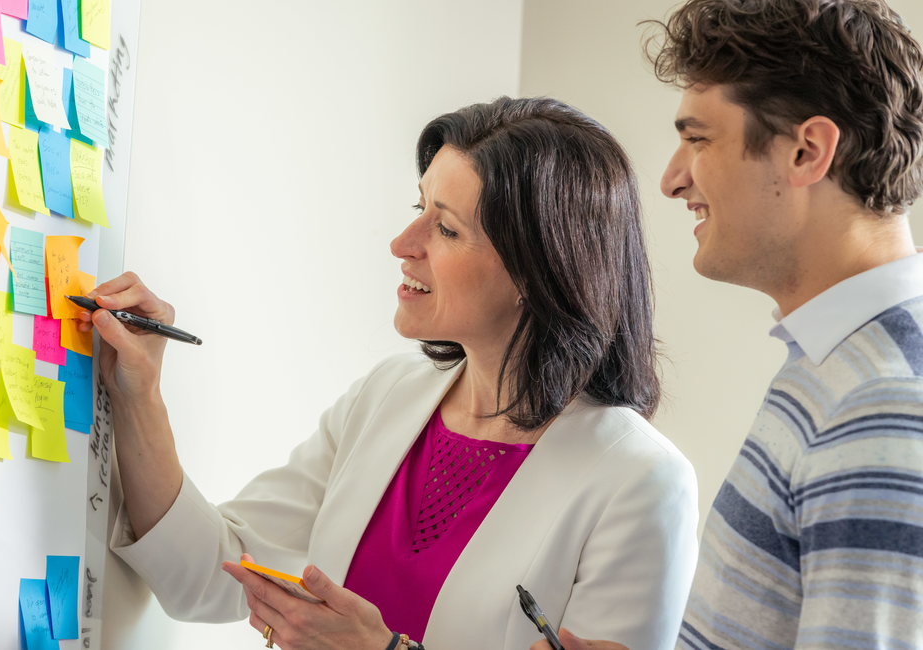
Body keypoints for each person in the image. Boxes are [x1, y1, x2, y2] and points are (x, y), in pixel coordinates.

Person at [84, 97, 699, 650]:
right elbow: (210, 573)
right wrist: (139, 396)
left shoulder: (640, 483)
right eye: (418, 208)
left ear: (537, 272)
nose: (403, 242)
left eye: (446, 228)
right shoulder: (387, 396)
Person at [532, 1, 923, 649]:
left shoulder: (881, 405)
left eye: (698, 139)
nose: (671, 179)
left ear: (806, 151)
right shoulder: (837, 362)